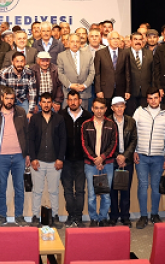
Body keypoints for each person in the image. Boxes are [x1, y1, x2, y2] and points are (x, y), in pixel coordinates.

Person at [0, 87, 29, 227]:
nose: (9, 101)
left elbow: (27, 134)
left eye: (12, 99)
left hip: (19, 156)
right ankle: (2, 216)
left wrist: (27, 154)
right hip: (1, 157)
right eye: (7, 98)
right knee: (1, 187)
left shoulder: (21, 112)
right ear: (2, 98)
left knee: (19, 188)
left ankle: (19, 216)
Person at [132, 88, 165, 229]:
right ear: (147, 99)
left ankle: (155, 214)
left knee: (156, 187)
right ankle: (143, 216)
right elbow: (133, 133)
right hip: (141, 156)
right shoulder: (139, 112)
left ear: (160, 98)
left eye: (155, 97)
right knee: (143, 186)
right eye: (150, 98)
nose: (153, 101)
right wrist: (134, 151)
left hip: (159, 157)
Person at [28, 93, 66, 228]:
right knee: (37, 191)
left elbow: (63, 140)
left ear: (52, 104)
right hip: (38, 161)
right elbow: (30, 140)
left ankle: (54, 216)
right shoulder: (34, 119)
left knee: (54, 191)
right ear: (40, 103)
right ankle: (35, 216)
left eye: (48, 102)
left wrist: (60, 158)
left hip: (54, 161)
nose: (46, 104)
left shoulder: (59, 119)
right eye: (43, 102)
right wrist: (33, 158)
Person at [81, 98, 117, 227]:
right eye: (96, 108)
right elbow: (84, 144)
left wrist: (102, 158)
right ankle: (94, 219)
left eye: (102, 108)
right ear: (92, 109)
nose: (99, 111)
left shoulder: (111, 124)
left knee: (106, 195)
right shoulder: (86, 125)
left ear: (106, 109)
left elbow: (113, 144)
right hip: (91, 165)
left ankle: (103, 218)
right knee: (91, 195)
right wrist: (95, 159)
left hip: (107, 164)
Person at [60, 91, 92, 227]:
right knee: (67, 189)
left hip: (81, 159)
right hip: (65, 159)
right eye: (70, 100)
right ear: (67, 101)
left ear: (80, 101)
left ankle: (78, 217)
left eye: (75, 99)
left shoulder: (87, 116)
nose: (73, 102)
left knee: (80, 190)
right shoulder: (61, 116)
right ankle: (70, 215)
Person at [107, 96, 138, 227]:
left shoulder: (131, 121)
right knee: (112, 190)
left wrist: (124, 156)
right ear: (112, 108)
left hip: (127, 161)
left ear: (125, 107)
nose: (119, 109)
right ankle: (114, 216)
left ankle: (125, 216)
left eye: (121, 106)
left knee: (125, 190)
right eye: (116, 106)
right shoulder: (107, 121)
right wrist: (117, 156)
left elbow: (134, 140)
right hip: (111, 161)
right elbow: (106, 142)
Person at [58, 34, 96, 112]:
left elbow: (92, 73)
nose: (75, 44)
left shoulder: (88, 55)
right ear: (68, 43)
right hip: (68, 93)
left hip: (84, 93)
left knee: (84, 117)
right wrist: (70, 85)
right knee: (67, 117)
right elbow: (60, 73)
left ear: (80, 43)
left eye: (77, 41)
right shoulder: (61, 56)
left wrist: (84, 85)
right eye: (72, 41)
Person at [94, 32, 131, 108]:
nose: (116, 40)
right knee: (106, 112)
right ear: (108, 40)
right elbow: (97, 73)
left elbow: (127, 73)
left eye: (117, 38)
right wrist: (98, 90)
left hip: (120, 90)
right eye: (113, 38)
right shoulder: (100, 53)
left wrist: (127, 90)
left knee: (119, 111)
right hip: (105, 90)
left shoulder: (125, 53)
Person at [0, 52, 37, 116]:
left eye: (22, 61)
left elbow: (33, 93)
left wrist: (30, 111)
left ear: (25, 62)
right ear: (12, 62)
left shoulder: (30, 73)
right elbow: (2, 92)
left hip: (22, 99)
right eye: (17, 61)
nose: (19, 64)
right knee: (6, 117)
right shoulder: (4, 73)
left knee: (27, 118)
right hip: (8, 99)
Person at [127, 32, 154, 116]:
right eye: (135, 39)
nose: (138, 41)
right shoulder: (124, 53)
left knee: (144, 116)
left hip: (145, 92)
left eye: (140, 39)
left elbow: (153, 72)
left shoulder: (149, 53)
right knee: (131, 116)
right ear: (130, 41)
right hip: (130, 92)